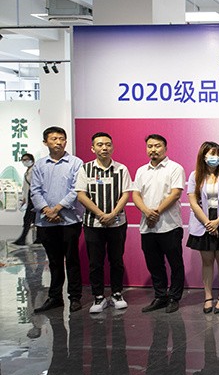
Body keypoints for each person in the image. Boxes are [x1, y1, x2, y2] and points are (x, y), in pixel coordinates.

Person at [75, 132, 134, 313]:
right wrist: (101, 214)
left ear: (112, 147)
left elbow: (126, 194)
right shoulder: (85, 169)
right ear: (93, 148)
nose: (104, 148)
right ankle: (98, 297)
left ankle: (116, 293)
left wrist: (113, 214)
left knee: (116, 260)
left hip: (117, 223)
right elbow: (81, 195)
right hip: (93, 223)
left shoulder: (121, 169)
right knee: (95, 262)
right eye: (100, 145)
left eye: (108, 144)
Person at [30, 126, 85, 312]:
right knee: (53, 261)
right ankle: (55, 297)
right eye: (54, 139)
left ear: (66, 141)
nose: (58, 142)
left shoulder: (76, 163)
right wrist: (47, 210)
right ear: (45, 142)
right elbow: (35, 190)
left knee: (72, 260)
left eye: (61, 139)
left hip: (69, 220)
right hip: (46, 221)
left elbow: (76, 189)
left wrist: (58, 208)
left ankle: (75, 297)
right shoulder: (39, 165)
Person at [132, 134, 186, 313]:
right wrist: (147, 212)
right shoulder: (141, 170)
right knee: (154, 264)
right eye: (150, 146)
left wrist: (156, 212)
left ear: (165, 148)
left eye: (157, 146)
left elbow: (175, 193)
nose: (153, 149)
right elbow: (135, 194)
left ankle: (174, 297)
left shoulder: (175, 168)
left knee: (175, 264)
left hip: (170, 225)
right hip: (147, 226)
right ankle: (160, 296)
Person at [187, 141, 219, 314]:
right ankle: (208, 297)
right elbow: (193, 202)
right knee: (207, 262)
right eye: (211, 154)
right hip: (203, 221)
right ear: (203, 156)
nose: (215, 158)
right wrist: (208, 222)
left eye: (218, 154)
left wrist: (217, 222)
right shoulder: (195, 176)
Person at [13, 152, 36, 246]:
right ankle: (35, 238)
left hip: (34, 198)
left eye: (26, 159)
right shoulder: (27, 171)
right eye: (23, 160)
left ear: (32, 160)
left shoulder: (34, 170)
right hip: (29, 197)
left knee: (28, 218)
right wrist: (24, 198)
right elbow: (26, 187)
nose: (24, 161)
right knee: (32, 218)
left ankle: (23, 238)